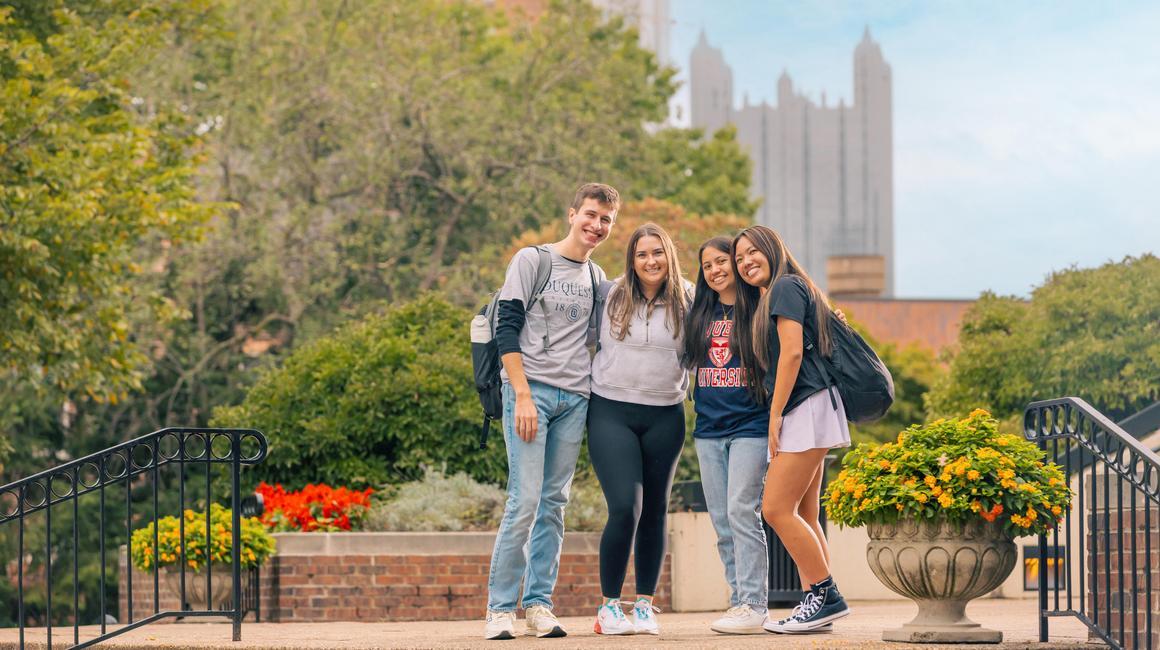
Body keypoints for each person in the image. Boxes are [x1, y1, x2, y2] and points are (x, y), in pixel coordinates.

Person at [484, 183, 618, 641]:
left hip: (574, 398)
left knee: (554, 505)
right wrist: (520, 393)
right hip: (531, 393)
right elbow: (506, 329)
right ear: (572, 213)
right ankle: (500, 609)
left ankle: (539, 604)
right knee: (524, 499)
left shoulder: (599, 280)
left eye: (605, 220)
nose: (596, 226)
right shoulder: (532, 260)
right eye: (590, 214)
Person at [731, 225, 852, 634]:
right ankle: (818, 605)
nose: (746, 262)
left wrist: (775, 414)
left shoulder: (784, 286)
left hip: (805, 407)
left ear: (772, 249)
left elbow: (793, 353)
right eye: (740, 257)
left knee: (775, 509)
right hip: (817, 405)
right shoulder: (786, 291)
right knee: (804, 512)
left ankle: (825, 594)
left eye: (752, 252)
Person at [586, 223, 691, 637]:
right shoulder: (609, 294)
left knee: (656, 511)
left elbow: (728, 328)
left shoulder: (690, 298)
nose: (651, 261)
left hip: (666, 414)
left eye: (657, 253)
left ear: (669, 255)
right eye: (642, 254)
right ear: (631, 259)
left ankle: (644, 605)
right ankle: (609, 607)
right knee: (625, 508)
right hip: (611, 411)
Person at [679, 237, 772, 635]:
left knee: (741, 511)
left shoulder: (761, 306)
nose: (716, 270)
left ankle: (754, 603)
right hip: (708, 430)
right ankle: (738, 601)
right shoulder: (700, 312)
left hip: (751, 425)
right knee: (722, 519)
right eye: (708, 265)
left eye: (723, 261)